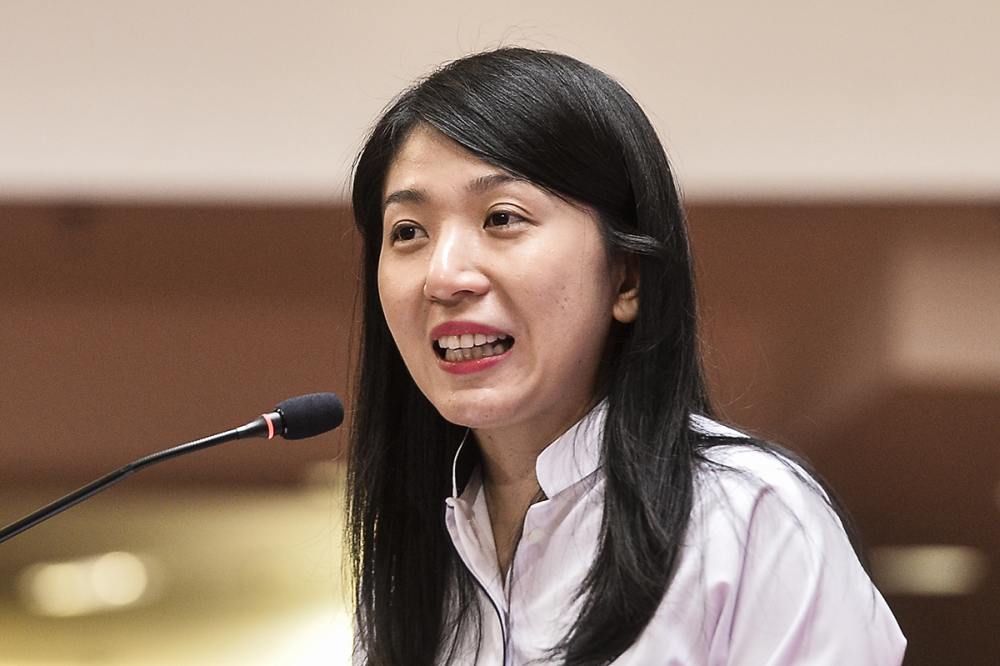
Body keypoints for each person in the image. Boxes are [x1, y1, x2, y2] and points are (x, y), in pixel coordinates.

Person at [346, 47, 905, 665]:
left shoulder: (748, 520)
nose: (443, 276)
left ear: (627, 278)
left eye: (502, 218)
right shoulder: (417, 567)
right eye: (407, 232)